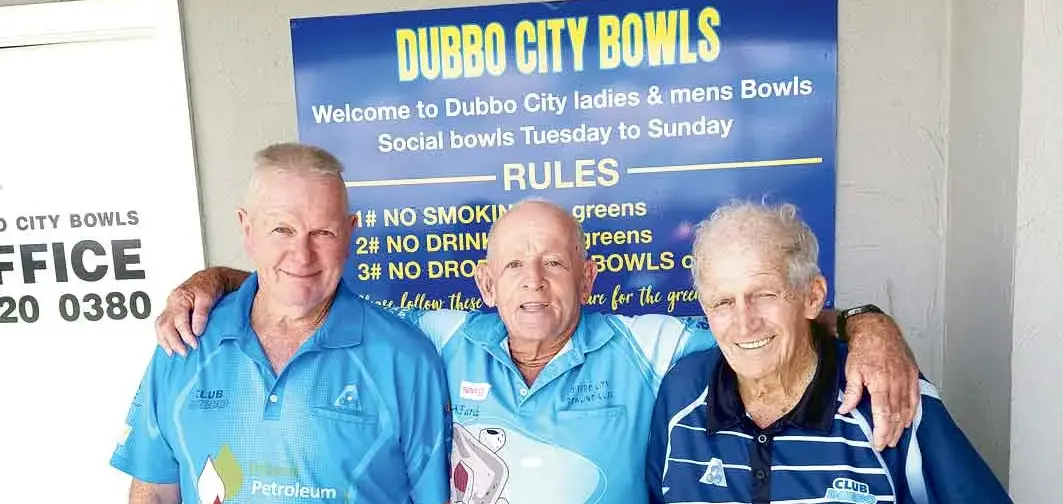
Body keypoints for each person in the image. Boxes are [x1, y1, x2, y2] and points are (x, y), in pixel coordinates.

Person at [155, 190, 919, 503]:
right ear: (484, 284)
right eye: (514, 266)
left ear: (587, 277)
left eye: (554, 263)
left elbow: (757, 326)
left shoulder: (649, 344)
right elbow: (312, 296)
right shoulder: (436, 338)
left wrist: (867, 324)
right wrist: (217, 279)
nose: (533, 281)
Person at [110, 143, 451, 504]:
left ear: (350, 234)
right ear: (247, 229)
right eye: (282, 229)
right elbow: (154, 491)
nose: (302, 256)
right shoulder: (186, 340)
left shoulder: (407, 359)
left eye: (323, 233)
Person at [646, 201, 1011, 504]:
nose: (744, 324)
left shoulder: (886, 391)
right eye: (724, 302)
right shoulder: (681, 393)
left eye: (765, 295)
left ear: (813, 296)